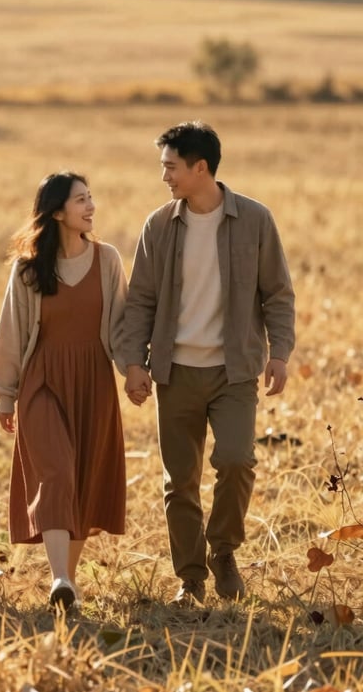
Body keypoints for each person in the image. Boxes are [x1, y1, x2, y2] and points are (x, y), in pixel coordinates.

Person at [122, 121, 295, 605]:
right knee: (180, 482)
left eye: (171, 168)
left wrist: (279, 352)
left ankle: (223, 550)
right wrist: (134, 363)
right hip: (175, 373)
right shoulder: (158, 225)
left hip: (233, 371)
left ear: (201, 168)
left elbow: (278, 294)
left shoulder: (256, 221)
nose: (165, 178)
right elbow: (140, 301)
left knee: (237, 460)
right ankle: (191, 578)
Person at [0, 172, 127, 611]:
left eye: (91, 198)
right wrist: (5, 394)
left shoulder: (108, 260)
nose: (91, 207)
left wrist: (134, 372)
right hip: (42, 381)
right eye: (81, 200)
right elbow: (12, 332)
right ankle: (60, 577)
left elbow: (121, 328)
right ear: (57, 211)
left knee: (83, 480)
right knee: (57, 474)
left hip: (94, 381)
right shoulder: (29, 270)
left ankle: (68, 582)